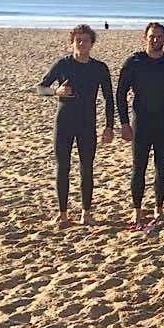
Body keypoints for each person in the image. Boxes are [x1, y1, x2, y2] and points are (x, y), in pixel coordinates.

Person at [36, 24, 115, 226]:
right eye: (78, 40)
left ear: (92, 43)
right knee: (63, 167)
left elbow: (109, 99)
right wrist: (56, 93)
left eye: (85, 40)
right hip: (64, 122)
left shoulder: (99, 68)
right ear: (72, 42)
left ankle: (85, 213)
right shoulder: (63, 64)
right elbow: (41, 88)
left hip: (87, 123)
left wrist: (109, 126)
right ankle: (63, 214)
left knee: (86, 168)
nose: (81, 44)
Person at [116, 22, 164, 228]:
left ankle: (159, 209)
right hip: (141, 121)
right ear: (145, 37)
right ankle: (137, 210)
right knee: (138, 167)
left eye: (159, 36)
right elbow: (120, 94)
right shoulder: (134, 61)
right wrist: (124, 123)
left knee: (162, 167)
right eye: (152, 36)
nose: (155, 39)